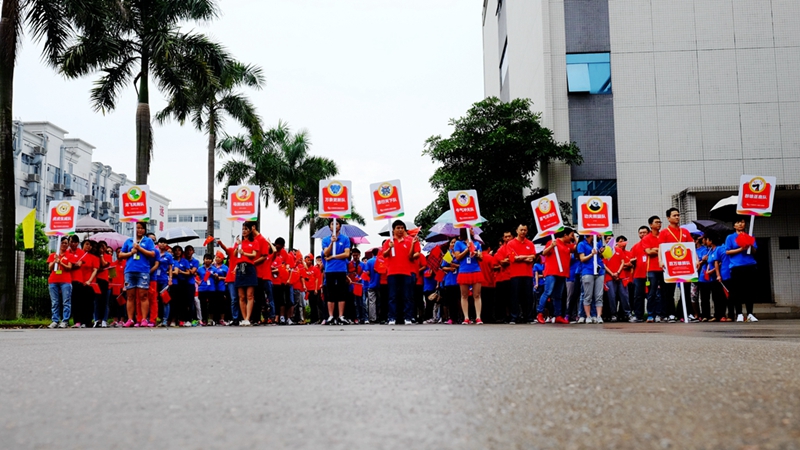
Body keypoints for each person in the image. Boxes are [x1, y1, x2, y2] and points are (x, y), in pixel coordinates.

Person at [381, 219, 421, 325]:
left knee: (407, 296)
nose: (400, 230)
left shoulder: (410, 240)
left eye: (402, 228)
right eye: (397, 228)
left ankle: (407, 317)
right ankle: (392, 317)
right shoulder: (388, 242)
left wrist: (412, 246)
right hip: (392, 272)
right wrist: (390, 248)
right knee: (392, 296)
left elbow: (416, 254)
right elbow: (384, 255)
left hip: (406, 272)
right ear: (393, 230)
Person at [657, 208, 693, 322]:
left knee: (687, 290)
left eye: (678, 215)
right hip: (670, 265)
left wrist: (696, 260)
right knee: (669, 291)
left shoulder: (685, 232)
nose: (677, 217)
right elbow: (660, 248)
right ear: (668, 218)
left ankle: (687, 313)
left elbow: (691, 247)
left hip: (684, 265)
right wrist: (660, 260)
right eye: (674, 215)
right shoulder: (664, 232)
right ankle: (670, 314)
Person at [119, 222, 156, 327]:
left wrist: (140, 249)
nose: (139, 230)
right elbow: (121, 254)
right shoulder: (129, 241)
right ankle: (130, 319)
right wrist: (131, 252)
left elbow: (152, 254)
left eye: (141, 228)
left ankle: (144, 319)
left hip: (143, 271)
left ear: (144, 230)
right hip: (130, 271)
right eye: (137, 228)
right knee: (130, 296)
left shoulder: (148, 241)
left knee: (143, 296)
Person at [536, 228, 576, 324]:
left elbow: (577, 248)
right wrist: (551, 246)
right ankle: (539, 313)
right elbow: (544, 253)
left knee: (558, 296)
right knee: (548, 292)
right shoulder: (553, 241)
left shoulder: (568, 245)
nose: (572, 237)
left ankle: (558, 315)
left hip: (562, 273)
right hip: (552, 272)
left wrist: (574, 236)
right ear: (565, 235)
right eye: (571, 235)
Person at [725, 218, 759, 322]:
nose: (740, 224)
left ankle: (750, 313)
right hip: (736, 266)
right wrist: (740, 249)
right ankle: (739, 313)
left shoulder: (750, 236)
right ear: (734, 225)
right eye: (737, 222)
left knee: (749, 290)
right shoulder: (730, 237)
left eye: (742, 222)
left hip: (749, 265)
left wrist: (750, 245)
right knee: (737, 291)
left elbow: (754, 251)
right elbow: (727, 251)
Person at [322, 220, 352, 325]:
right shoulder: (325, 239)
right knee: (330, 293)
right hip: (330, 269)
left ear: (340, 226)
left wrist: (334, 256)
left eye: (337, 224)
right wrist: (332, 242)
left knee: (341, 292)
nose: (334, 226)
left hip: (341, 269)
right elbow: (325, 253)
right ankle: (330, 316)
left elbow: (347, 254)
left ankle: (341, 316)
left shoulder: (345, 239)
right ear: (329, 227)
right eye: (332, 224)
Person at [505, 224, 536, 324]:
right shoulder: (511, 243)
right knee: (515, 296)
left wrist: (520, 257)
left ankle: (528, 317)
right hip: (515, 274)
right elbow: (513, 258)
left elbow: (533, 257)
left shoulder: (530, 243)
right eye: (521, 230)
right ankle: (514, 317)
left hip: (527, 274)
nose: (523, 232)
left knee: (528, 297)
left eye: (525, 230)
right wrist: (525, 257)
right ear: (517, 231)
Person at [453, 228, 484, 324]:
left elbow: (481, 257)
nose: (472, 230)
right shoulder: (458, 243)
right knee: (464, 295)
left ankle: (478, 317)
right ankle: (466, 317)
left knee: (477, 295)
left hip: (475, 269)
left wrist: (476, 254)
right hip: (464, 270)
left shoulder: (477, 243)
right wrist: (467, 249)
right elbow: (457, 257)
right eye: (470, 229)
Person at [236, 222, 261, 326]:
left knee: (249, 295)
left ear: (251, 230)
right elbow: (235, 255)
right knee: (241, 296)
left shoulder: (254, 242)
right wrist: (237, 246)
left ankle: (247, 318)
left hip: (250, 268)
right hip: (240, 268)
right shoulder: (240, 242)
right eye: (243, 229)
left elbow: (254, 255)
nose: (244, 231)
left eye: (246, 229)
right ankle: (244, 318)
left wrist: (244, 253)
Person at [578, 234, 606, 324]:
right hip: (588, 271)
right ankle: (588, 316)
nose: (599, 235)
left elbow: (601, 257)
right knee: (588, 296)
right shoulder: (581, 244)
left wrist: (601, 252)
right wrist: (591, 254)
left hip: (599, 271)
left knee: (599, 296)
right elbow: (582, 258)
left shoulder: (597, 243)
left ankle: (598, 316)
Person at [604, 236, 632, 322]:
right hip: (609, 277)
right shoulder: (604, 251)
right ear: (605, 240)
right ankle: (613, 314)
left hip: (621, 276)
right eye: (608, 239)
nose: (609, 240)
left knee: (624, 296)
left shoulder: (618, 250)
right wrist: (612, 274)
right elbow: (604, 264)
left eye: (611, 238)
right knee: (611, 296)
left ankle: (628, 314)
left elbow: (622, 262)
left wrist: (618, 272)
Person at [47, 237, 73, 328]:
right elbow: (50, 268)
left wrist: (61, 263)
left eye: (66, 243)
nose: (64, 245)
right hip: (53, 280)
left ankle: (65, 320)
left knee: (66, 301)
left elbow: (69, 267)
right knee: (55, 302)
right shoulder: (53, 255)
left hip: (65, 280)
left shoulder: (69, 255)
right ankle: (55, 320)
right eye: (62, 243)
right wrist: (55, 261)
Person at [642, 216, 663, 322]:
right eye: (656, 222)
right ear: (651, 225)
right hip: (652, 269)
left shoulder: (663, 236)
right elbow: (648, 252)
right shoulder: (646, 238)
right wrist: (659, 250)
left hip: (664, 269)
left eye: (660, 222)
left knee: (662, 293)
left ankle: (660, 314)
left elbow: (666, 250)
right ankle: (651, 314)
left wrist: (655, 249)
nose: (659, 224)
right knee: (652, 293)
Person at [629, 226, 650, 322]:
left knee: (652, 296)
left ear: (648, 233)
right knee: (638, 296)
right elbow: (630, 261)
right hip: (638, 275)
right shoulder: (635, 246)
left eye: (644, 232)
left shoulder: (652, 245)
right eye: (640, 233)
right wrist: (632, 261)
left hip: (650, 274)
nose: (642, 234)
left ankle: (652, 315)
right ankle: (638, 316)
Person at [218, 237, 241, 325]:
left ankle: (243, 317)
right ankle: (235, 318)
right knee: (234, 299)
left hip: (242, 278)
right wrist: (220, 243)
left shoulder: (245, 251)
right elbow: (226, 249)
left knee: (242, 299)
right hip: (232, 278)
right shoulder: (232, 250)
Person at [492, 231, 513, 323]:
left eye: (509, 236)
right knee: (503, 299)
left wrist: (507, 260)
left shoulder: (514, 246)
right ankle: (504, 316)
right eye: (506, 237)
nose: (508, 238)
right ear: (503, 238)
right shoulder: (500, 250)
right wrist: (509, 260)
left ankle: (512, 316)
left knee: (512, 298)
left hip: (513, 276)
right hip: (502, 278)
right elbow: (500, 263)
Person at [79, 240, 100, 328]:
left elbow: (95, 270)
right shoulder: (78, 255)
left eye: (90, 245)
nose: (88, 246)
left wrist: (89, 280)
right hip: (79, 281)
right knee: (80, 302)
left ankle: (88, 320)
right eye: (86, 244)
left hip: (89, 283)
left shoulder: (94, 258)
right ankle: (80, 321)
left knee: (89, 303)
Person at [153, 238, 174, 327]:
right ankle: (154, 319)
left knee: (165, 300)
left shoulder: (168, 256)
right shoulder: (154, 253)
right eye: (161, 242)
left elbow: (170, 268)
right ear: (158, 243)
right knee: (154, 300)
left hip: (164, 280)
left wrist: (170, 279)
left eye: (165, 243)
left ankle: (165, 320)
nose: (162, 244)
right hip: (153, 279)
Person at [440, 238, 460, 324]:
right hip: (449, 281)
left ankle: (461, 317)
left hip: (459, 280)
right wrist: (450, 268)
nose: (453, 244)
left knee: (459, 300)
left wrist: (456, 265)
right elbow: (443, 267)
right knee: (451, 301)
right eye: (452, 242)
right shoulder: (448, 255)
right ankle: (452, 317)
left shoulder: (461, 254)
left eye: (455, 242)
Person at [93, 241, 112, 328]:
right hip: (97, 280)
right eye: (100, 247)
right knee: (97, 301)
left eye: (103, 247)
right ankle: (97, 319)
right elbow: (96, 268)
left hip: (105, 281)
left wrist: (101, 255)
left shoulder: (108, 256)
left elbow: (104, 264)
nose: (101, 249)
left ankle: (104, 320)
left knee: (105, 302)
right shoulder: (95, 257)